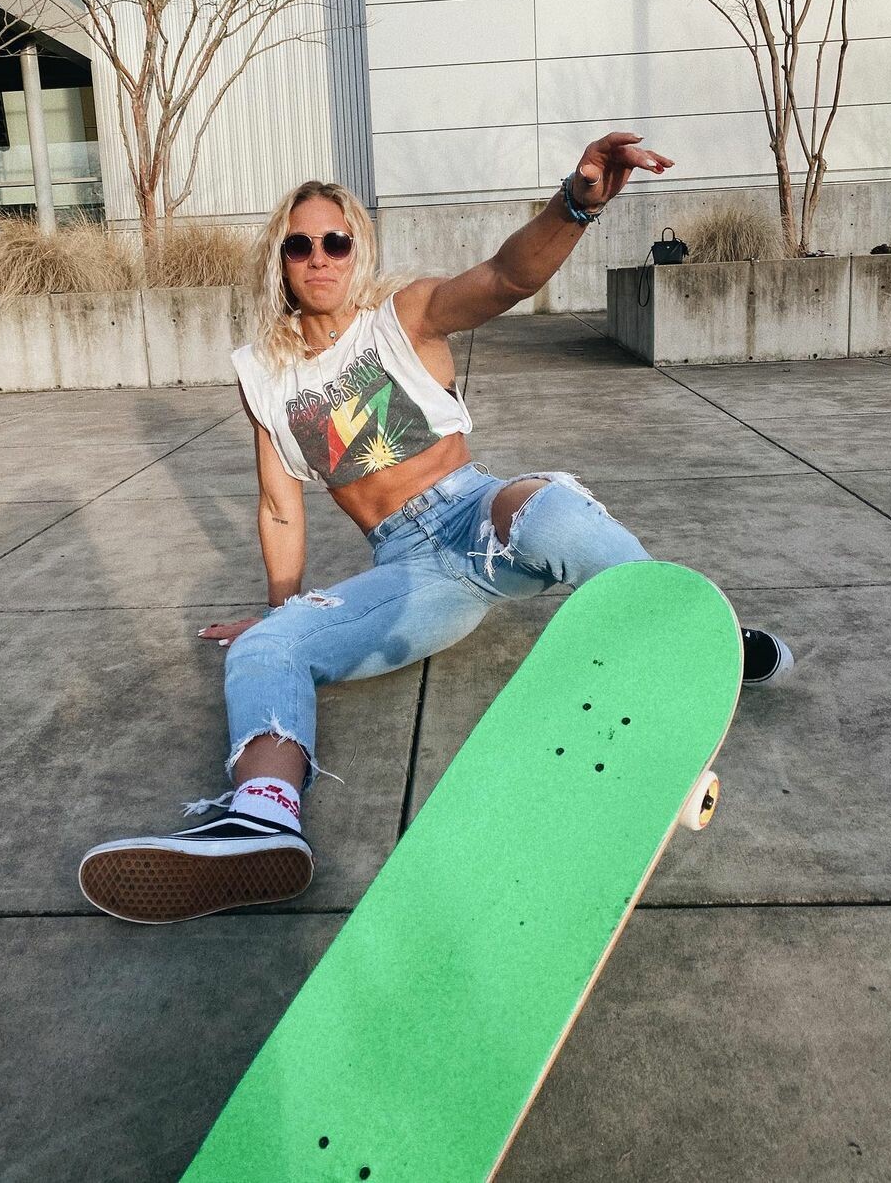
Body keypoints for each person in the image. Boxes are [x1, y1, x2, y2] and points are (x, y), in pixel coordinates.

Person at [78, 132, 793, 925]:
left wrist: (575, 204)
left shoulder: (404, 317)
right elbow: (279, 505)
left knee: (548, 508)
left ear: (357, 248)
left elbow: (509, 275)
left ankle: (685, 639)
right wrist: (285, 613)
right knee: (264, 649)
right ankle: (261, 822)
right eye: (299, 245)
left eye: (335, 241)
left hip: (476, 509)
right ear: (279, 260)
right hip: (411, 571)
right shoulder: (266, 377)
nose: (319, 258)